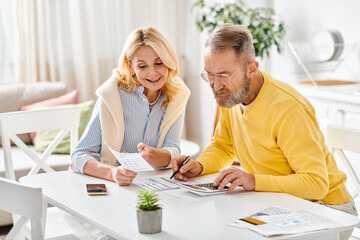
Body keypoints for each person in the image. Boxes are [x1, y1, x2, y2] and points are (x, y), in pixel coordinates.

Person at [171, 24, 357, 239]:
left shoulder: (289, 108)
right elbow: (223, 146)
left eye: (223, 75)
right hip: (277, 204)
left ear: (251, 68)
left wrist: (253, 181)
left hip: (328, 209)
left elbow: (316, 184)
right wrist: (200, 165)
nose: (215, 85)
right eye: (210, 75)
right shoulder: (231, 96)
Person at [72, 27, 190, 186]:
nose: (153, 73)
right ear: (130, 66)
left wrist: (155, 155)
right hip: (114, 188)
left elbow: (173, 150)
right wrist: (112, 173)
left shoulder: (177, 95)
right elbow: (79, 157)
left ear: (169, 61)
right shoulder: (112, 95)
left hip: (155, 186)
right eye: (142, 66)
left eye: (159, 63)